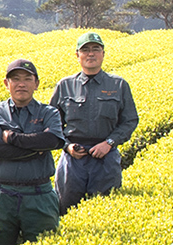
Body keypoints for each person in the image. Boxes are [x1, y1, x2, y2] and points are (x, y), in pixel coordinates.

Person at [0, 59, 65, 245]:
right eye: (15, 79)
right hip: (2, 196)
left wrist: (12, 138)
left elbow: (53, 140)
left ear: (36, 84)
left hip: (39, 195)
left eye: (28, 79)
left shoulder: (49, 112)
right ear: (6, 83)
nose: (21, 84)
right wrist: (36, 149)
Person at [50, 31, 138, 214]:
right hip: (73, 160)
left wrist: (109, 143)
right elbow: (52, 124)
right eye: (86, 50)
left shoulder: (119, 85)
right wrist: (67, 146)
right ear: (77, 55)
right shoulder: (64, 85)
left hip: (106, 159)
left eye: (96, 49)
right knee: (65, 211)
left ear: (103, 54)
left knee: (105, 212)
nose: (91, 54)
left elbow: (129, 121)